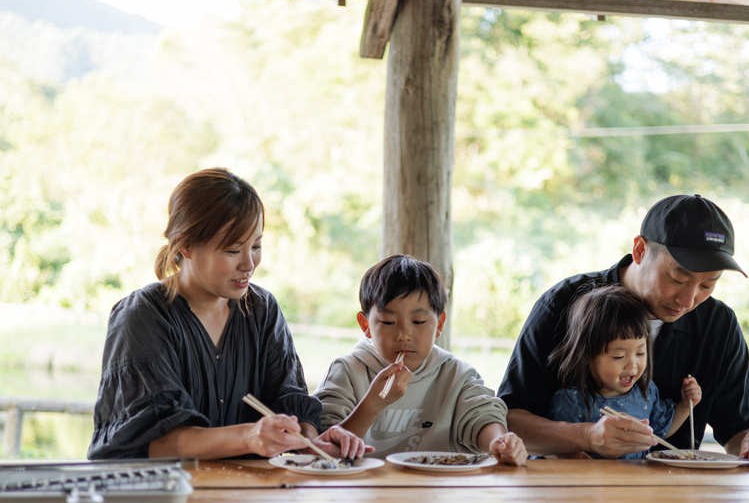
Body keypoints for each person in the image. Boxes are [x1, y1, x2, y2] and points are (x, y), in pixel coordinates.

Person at [88, 168, 370, 461]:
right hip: (173, 496)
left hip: (255, 495)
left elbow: (291, 402)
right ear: (185, 245)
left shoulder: (263, 309)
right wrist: (248, 437)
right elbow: (147, 442)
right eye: (233, 250)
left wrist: (312, 442)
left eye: (257, 246)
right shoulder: (142, 315)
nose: (249, 264)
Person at [498, 194, 749, 467]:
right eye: (678, 277)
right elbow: (509, 421)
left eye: (708, 285)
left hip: (676, 502)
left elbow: (738, 431)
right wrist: (587, 435)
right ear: (640, 249)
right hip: (570, 496)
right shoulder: (565, 304)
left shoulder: (717, 325)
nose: (688, 300)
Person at [315, 255, 527, 465]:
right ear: (365, 325)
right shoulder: (347, 371)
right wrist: (373, 404)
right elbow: (323, 447)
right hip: (361, 492)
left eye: (419, 321)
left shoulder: (456, 375)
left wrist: (500, 442)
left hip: (436, 493)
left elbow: (482, 418)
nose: (404, 335)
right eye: (388, 322)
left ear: (440, 324)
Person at [546, 285, 701, 459]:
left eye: (640, 353)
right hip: (591, 484)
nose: (632, 365)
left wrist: (686, 405)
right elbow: (553, 447)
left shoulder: (646, 391)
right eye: (618, 356)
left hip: (637, 484)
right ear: (587, 355)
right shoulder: (572, 400)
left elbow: (659, 434)